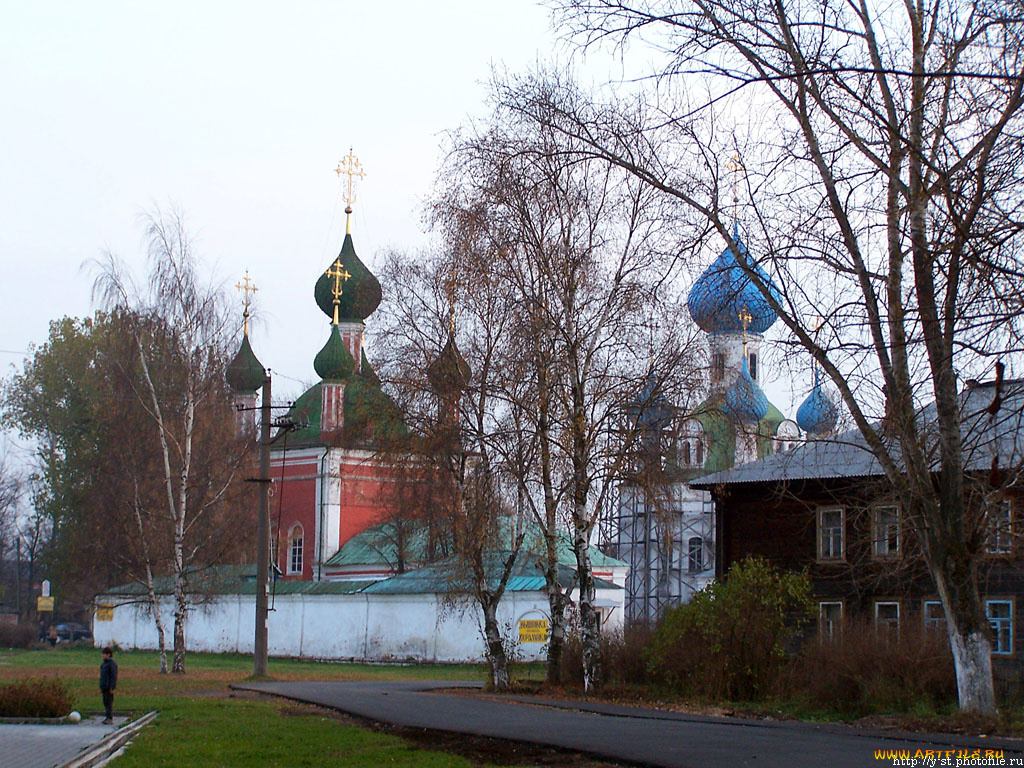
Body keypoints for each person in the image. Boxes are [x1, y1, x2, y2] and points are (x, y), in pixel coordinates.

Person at [99, 647, 118, 724]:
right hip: (104, 686)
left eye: (104, 654)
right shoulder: (104, 664)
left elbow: (113, 676)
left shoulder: (111, 664)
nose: (102, 656)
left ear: (108, 654)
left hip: (108, 687)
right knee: (105, 702)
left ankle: (109, 718)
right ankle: (107, 717)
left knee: (109, 703)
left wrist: (112, 687)